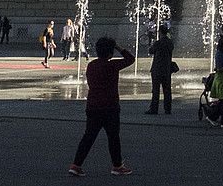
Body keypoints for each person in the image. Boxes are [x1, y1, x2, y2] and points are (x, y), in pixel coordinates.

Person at [69, 36, 134, 176]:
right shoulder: (112, 65)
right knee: (113, 138)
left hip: (93, 106)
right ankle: (117, 166)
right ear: (110, 53)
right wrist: (117, 46)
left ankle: (76, 165)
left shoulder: (91, 65)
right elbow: (130, 59)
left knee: (88, 137)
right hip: (110, 107)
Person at [145, 25, 174, 115]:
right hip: (166, 69)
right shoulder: (170, 42)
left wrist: (153, 43)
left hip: (157, 69)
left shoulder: (158, 43)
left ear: (160, 32)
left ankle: (154, 108)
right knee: (167, 90)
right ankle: (167, 109)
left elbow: (151, 51)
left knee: (156, 90)